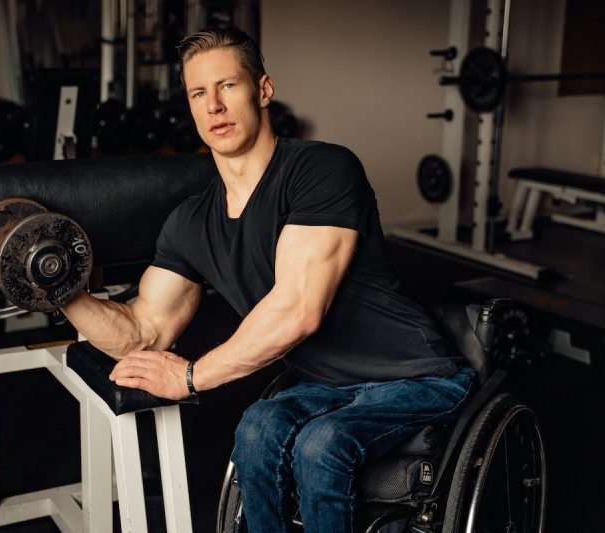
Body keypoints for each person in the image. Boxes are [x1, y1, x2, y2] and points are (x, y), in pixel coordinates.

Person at [63, 27, 474, 533]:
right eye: (198, 93)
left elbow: (299, 309)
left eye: (228, 86)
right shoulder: (192, 222)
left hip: (413, 376)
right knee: (256, 428)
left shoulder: (322, 169)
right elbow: (142, 332)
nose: (214, 105)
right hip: (325, 384)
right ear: (190, 108)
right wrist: (60, 290)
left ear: (262, 89)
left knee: (322, 445)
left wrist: (190, 377)